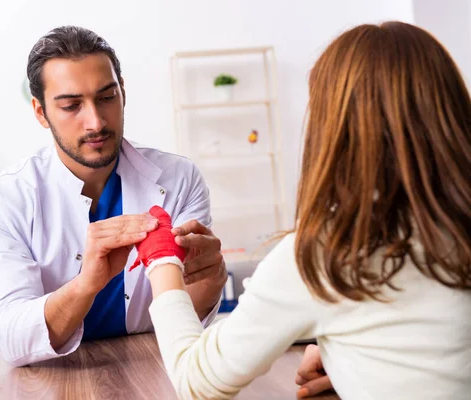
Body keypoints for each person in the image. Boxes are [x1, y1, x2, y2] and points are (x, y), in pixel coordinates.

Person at [142, 21, 471, 399]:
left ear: (334, 130)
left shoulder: (324, 255)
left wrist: (161, 256)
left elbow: (196, 379)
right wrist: (354, 358)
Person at [0, 26, 227, 367]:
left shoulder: (180, 179)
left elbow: (185, 317)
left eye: (107, 97)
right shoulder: (0, 201)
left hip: (154, 367)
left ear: (123, 93)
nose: (96, 121)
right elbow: (11, 337)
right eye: (72, 105)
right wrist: (87, 284)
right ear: (41, 112)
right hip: (53, 379)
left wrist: (212, 276)